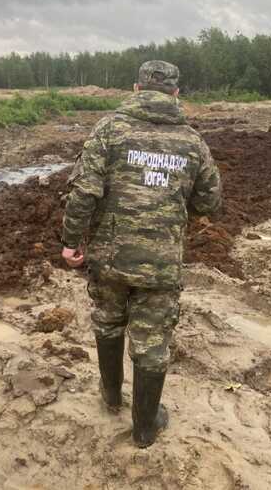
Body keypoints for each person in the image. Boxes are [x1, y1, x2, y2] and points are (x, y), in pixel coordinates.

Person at [60, 60, 222, 448]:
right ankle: (145, 429)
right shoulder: (192, 141)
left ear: (136, 89)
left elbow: (84, 191)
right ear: (176, 93)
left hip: (110, 256)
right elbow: (210, 201)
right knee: (152, 342)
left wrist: (71, 240)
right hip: (161, 262)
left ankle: (111, 395)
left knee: (108, 321)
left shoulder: (109, 131)